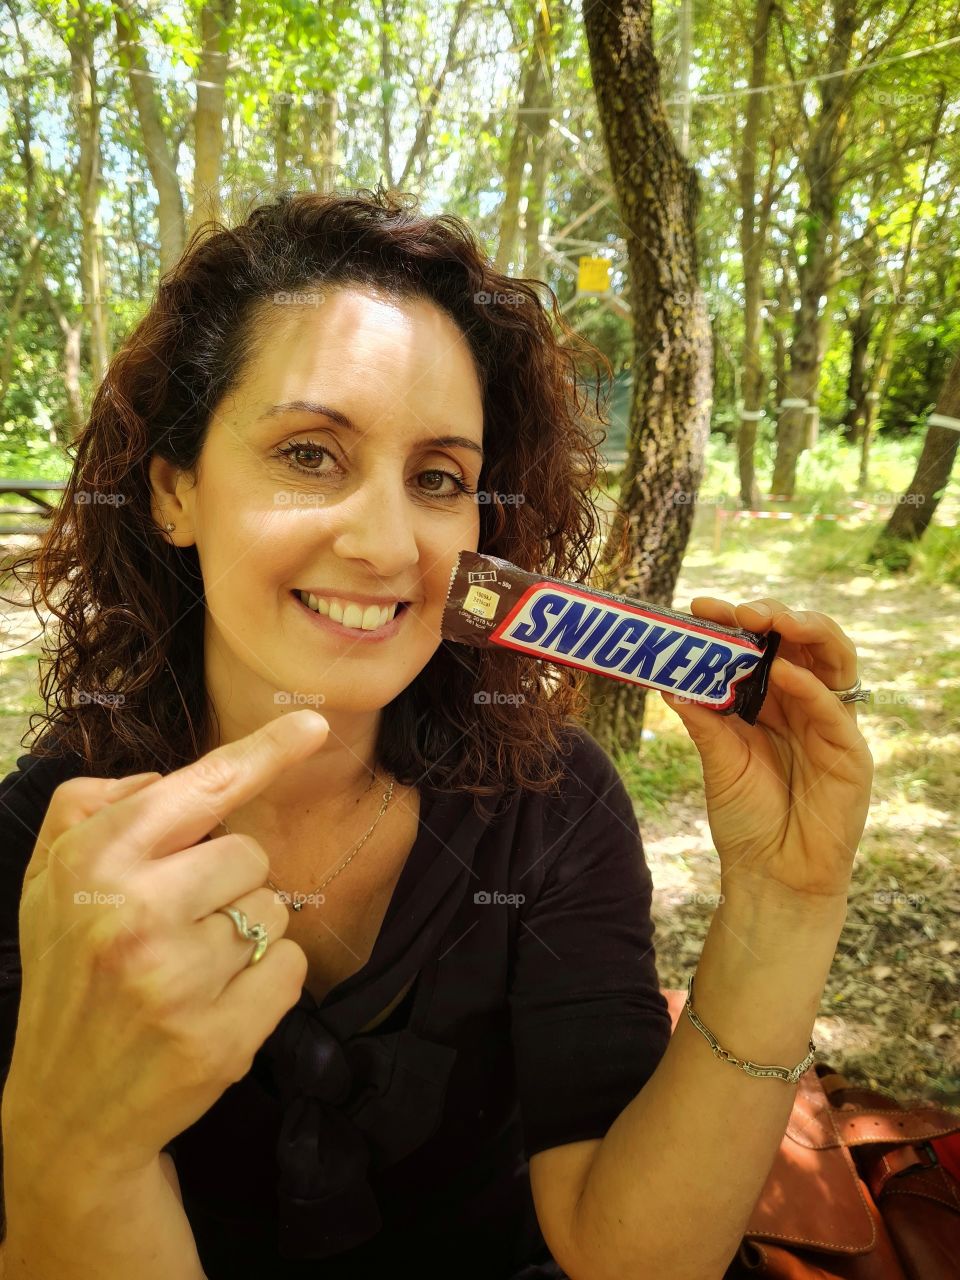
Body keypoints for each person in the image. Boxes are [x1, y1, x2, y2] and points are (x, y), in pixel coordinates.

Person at [0, 186, 873, 1280]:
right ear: (175, 492)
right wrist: (77, 1149)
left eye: (437, 478)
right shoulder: (53, 846)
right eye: (310, 453)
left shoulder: (551, 802)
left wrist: (788, 906)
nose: (386, 544)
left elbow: (630, 1255)